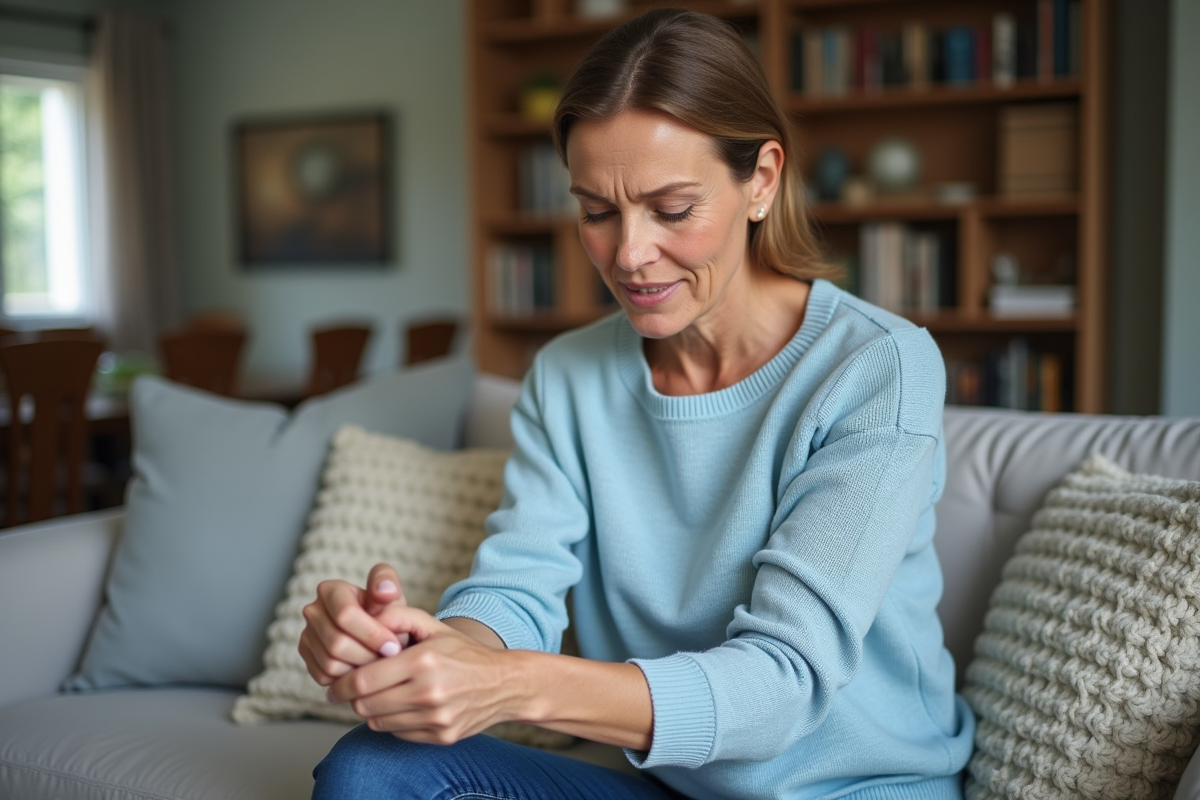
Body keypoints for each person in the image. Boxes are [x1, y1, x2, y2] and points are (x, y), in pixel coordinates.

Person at [299, 8, 976, 800]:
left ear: (760, 179)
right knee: (369, 768)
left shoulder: (876, 367)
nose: (628, 255)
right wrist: (421, 652)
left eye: (672, 209)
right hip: (673, 788)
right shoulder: (568, 376)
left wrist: (511, 685)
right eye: (596, 211)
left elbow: (784, 682)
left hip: (860, 792)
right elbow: (518, 591)